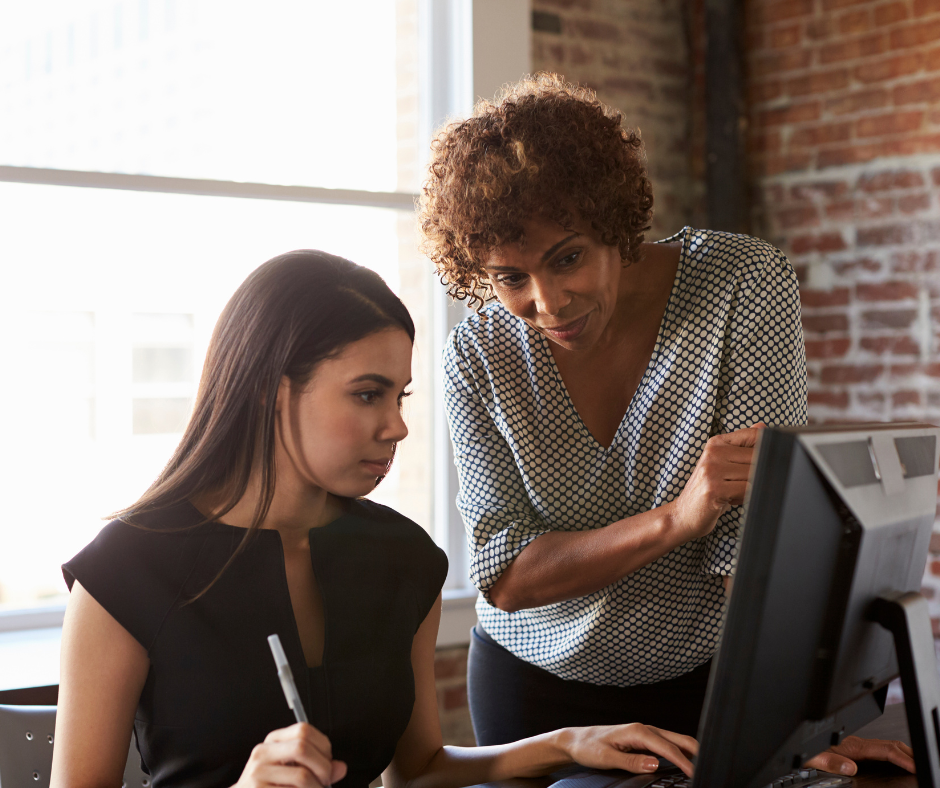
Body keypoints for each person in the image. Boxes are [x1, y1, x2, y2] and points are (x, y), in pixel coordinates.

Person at [50, 250, 700, 788]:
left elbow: (416, 770)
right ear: (272, 391)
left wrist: (568, 743)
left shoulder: (404, 559)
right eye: (367, 394)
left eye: (399, 396)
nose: (396, 427)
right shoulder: (123, 574)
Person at [419, 73, 914, 776]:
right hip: (533, 688)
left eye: (568, 258)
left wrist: (801, 724)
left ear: (616, 223)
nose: (548, 302)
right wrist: (679, 517)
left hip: (708, 681)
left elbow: (751, 539)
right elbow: (504, 572)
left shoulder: (741, 283)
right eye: (509, 277)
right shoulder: (477, 355)